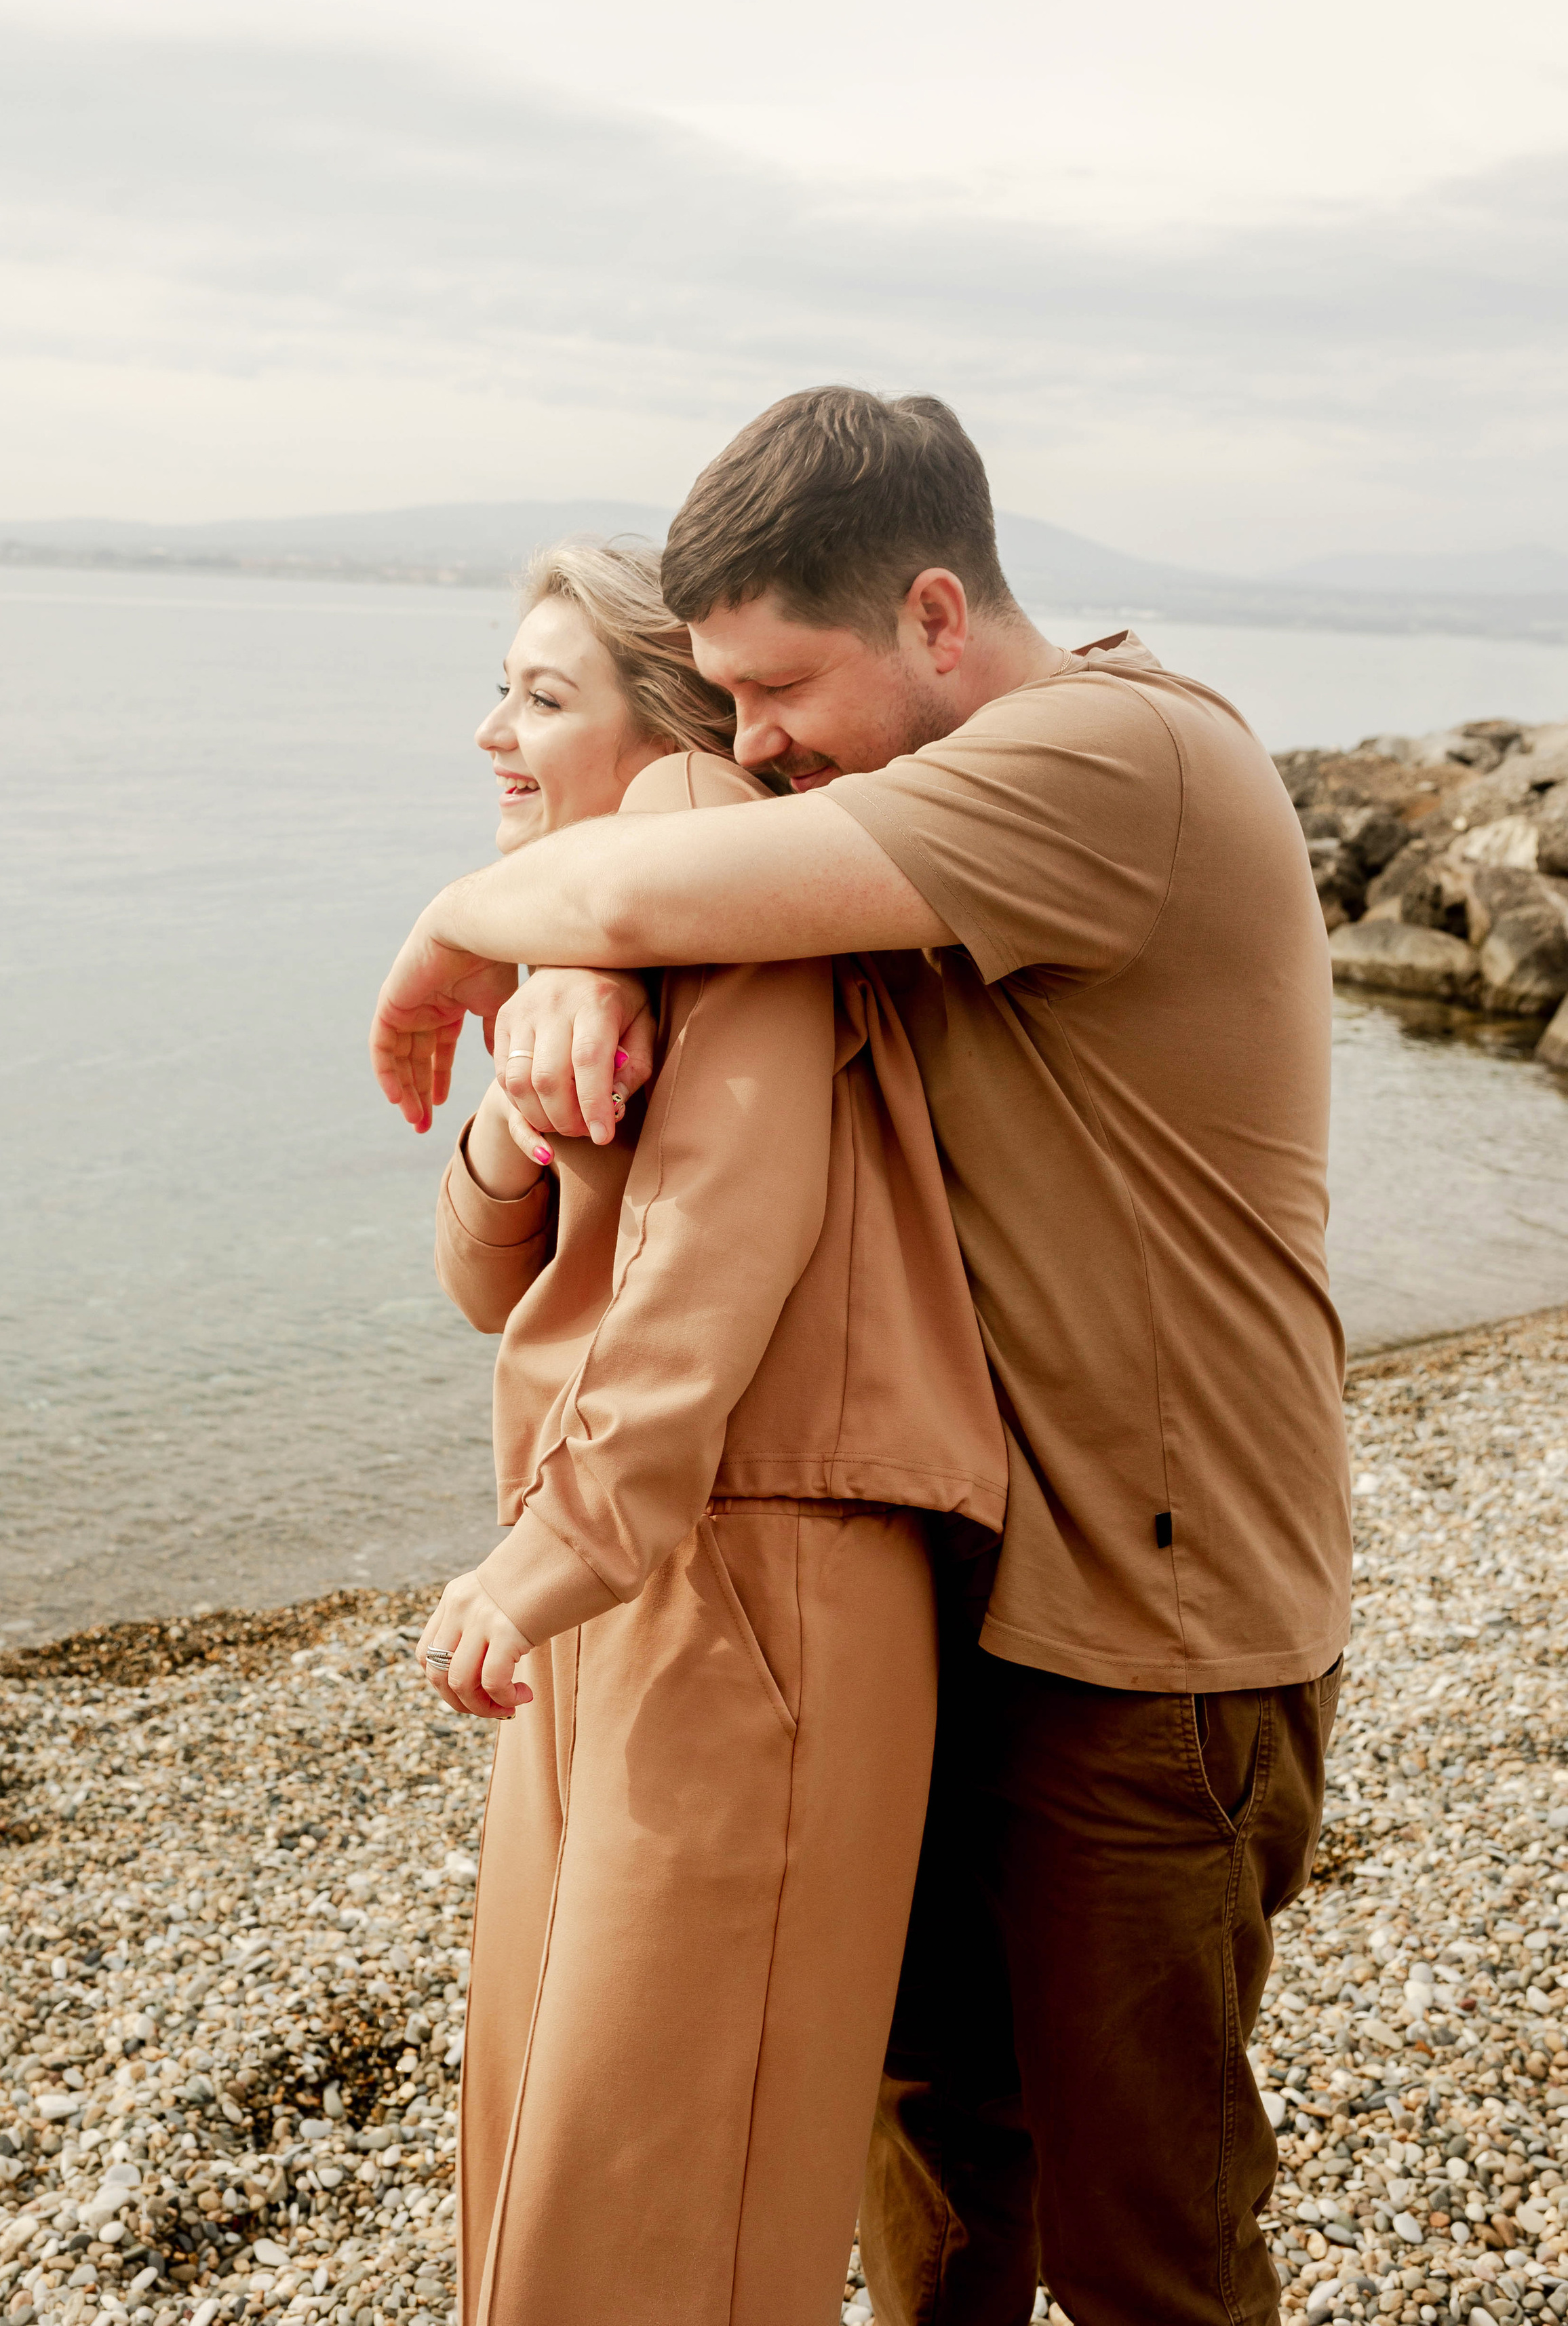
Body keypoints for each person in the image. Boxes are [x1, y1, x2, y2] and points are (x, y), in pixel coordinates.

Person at [372, 394, 1354, 2326]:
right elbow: (648, 930)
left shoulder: (1120, 757)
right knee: (947, 2208)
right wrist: (569, 965)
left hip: (1163, 1647)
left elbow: (664, 881)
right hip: (977, 1604)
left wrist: (459, 931)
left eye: (776, 691)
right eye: (720, 706)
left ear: (929, 616)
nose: (754, 748)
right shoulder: (882, 834)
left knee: (1148, 2245)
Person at [410, 539, 1006, 2326]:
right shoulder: (611, 916)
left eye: (540, 696)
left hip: (759, 1575)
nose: (491, 734)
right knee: (561, 2137)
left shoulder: (713, 885)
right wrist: (521, 1109)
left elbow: (710, 1252)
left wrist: (554, 1549)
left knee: (669, 2181)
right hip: (653, 1571)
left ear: (665, 731)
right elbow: (485, 1279)